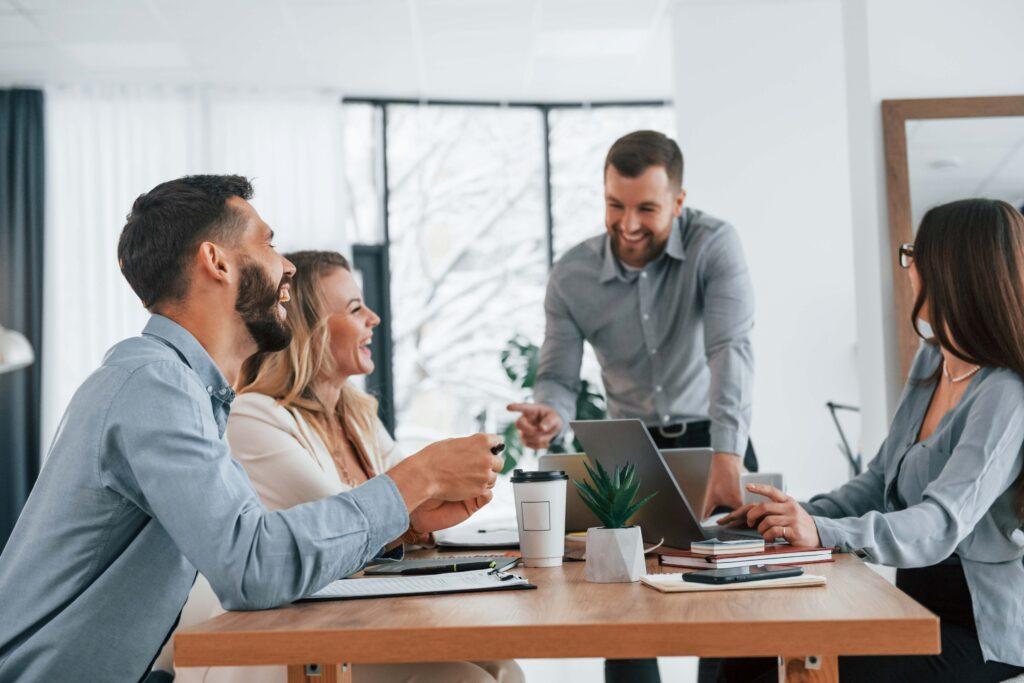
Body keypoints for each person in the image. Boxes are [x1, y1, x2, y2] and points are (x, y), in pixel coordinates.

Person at [0, 176, 504, 682]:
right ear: (216, 261)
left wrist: (407, 515)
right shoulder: (155, 385)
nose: (286, 265)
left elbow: (252, 546)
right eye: (267, 242)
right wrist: (417, 480)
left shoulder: (182, 389)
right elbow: (253, 568)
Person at [162, 249, 522, 683]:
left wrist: (435, 501)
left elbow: (415, 510)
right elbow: (341, 526)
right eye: (354, 309)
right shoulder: (254, 417)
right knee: (469, 678)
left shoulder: (358, 415)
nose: (374, 318)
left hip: (351, 623)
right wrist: (420, 493)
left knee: (501, 666)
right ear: (309, 331)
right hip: (282, 642)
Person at [717, 198, 1024, 682]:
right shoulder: (932, 362)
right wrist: (795, 516)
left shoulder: (1005, 392)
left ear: (950, 268)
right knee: (748, 652)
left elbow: (943, 523)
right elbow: (880, 479)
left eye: (914, 252)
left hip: (982, 632)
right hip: (912, 609)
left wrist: (825, 534)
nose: (908, 265)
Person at [508, 130, 757, 683]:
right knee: (622, 605)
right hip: (628, 453)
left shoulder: (715, 245)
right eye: (614, 205)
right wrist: (547, 412)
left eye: (647, 208)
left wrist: (727, 454)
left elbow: (729, 351)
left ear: (678, 202)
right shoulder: (573, 275)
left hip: (714, 441)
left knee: (726, 612)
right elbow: (556, 377)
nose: (628, 224)